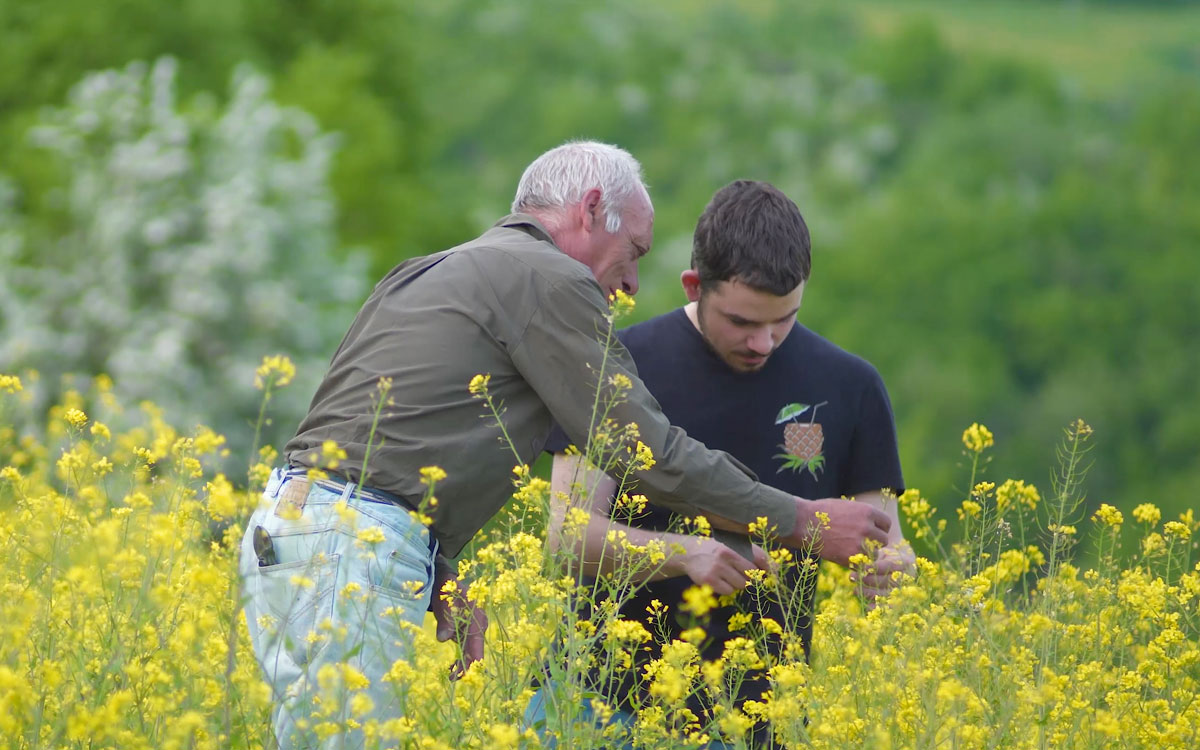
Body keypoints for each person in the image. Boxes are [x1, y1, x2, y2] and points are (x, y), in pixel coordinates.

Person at [238, 145, 893, 749]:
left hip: (297, 530)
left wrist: (434, 567)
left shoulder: (432, 271)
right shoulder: (549, 278)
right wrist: (801, 520)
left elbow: (367, 437)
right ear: (591, 210)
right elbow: (646, 451)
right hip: (346, 549)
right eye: (634, 252)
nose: (632, 284)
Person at [532, 180, 914, 747]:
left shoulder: (851, 386)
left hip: (756, 719)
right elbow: (566, 536)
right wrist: (686, 554)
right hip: (600, 704)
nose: (764, 343)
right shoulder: (620, 364)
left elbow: (887, 541)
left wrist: (892, 570)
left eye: (783, 320)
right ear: (694, 286)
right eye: (742, 322)